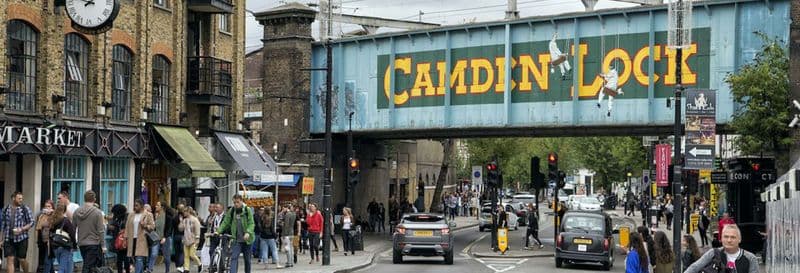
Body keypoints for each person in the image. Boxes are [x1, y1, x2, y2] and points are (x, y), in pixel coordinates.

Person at [684, 224, 759, 273]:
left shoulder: (750, 258)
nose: (729, 240)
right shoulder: (713, 253)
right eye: (726, 237)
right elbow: (694, 267)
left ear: (739, 239)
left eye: (733, 237)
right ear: (721, 239)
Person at [217, 194, 255, 273]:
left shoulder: (247, 210)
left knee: (247, 260)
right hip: (236, 239)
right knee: (234, 258)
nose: (236, 204)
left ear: (241, 201)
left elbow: (251, 223)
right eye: (234, 202)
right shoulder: (232, 211)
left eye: (237, 202)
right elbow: (225, 222)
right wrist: (218, 231)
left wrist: (248, 232)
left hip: (247, 240)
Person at [2, 192, 34, 273]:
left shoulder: (25, 209)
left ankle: (26, 271)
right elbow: (3, 226)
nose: (21, 200)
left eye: (21, 198)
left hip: (22, 238)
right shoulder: (6, 209)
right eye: (19, 198)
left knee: (21, 259)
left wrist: (22, 229)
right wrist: (1, 240)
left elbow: (32, 222)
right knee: (10, 260)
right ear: (13, 198)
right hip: (8, 239)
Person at [74, 191, 105, 273]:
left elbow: (73, 228)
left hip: (82, 243)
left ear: (84, 199)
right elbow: (101, 230)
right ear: (94, 199)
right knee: (87, 266)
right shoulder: (97, 212)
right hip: (93, 243)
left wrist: (74, 242)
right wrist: (103, 245)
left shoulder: (77, 211)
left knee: (90, 266)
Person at [126, 199, 155, 273]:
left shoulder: (148, 214)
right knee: (134, 259)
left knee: (139, 258)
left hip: (142, 240)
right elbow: (127, 227)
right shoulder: (131, 214)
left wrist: (145, 225)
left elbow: (152, 227)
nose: (135, 207)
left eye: (137, 205)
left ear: (142, 206)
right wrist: (125, 238)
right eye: (134, 205)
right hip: (132, 240)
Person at [48, 204, 76, 273]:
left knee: (65, 267)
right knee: (62, 269)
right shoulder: (66, 221)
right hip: (65, 247)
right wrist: (74, 246)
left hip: (55, 247)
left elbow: (50, 235)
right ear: (65, 211)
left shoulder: (53, 220)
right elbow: (72, 234)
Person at [178, 207, 201, 273]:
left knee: (192, 254)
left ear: (189, 212)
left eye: (185, 211)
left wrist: (197, 239)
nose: (183, 213)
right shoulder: (185, 220)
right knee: (186, 255)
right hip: (186, 239)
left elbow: (197, 230)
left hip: (193, 240)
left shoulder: (195, 220)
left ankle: (199, 264)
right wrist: (181, 221)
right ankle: (186, 269)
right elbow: (180, 229)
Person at [108, 204, 130, 273]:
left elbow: (129, 228)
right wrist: (111, 227)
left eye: (115, 212)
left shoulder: (127, 217)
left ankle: (127, 271)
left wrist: (123, 230)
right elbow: (114, 227)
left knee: (126, 259)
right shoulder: (117, 218)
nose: (114, 214)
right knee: (119, 260)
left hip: (125, 241)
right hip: (118, 242)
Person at [35, 200, 54, 273]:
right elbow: (38, 228)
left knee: (47, 260)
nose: (47, 208)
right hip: (43, 240)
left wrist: (51, 214)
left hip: (51, 241)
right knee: (48, 261)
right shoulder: (41, 215)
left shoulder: (55, 215)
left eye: (49, 206)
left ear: (52, 207)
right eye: (46, 206)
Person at [158, 202, 175, 273]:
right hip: (157, 238)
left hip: (166, 238)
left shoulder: (168, 217)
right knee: (154, 253)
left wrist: (165, 237)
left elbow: (169, 228)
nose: (156, 206)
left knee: (166, 255)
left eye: (158, 205)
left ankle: (167, 270)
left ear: (162, 207)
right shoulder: (158, 215)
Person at [279, 204, 296, 268]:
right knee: (291, 248)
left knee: (287, 248)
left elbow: (286, 225)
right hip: (292, 233)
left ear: (286, 208)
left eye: (283, 208)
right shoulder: (294, 214)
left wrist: (284, 234)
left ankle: (289, 262)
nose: (283, 210)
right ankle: (291, 262)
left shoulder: (287, 215)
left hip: (287, 234)